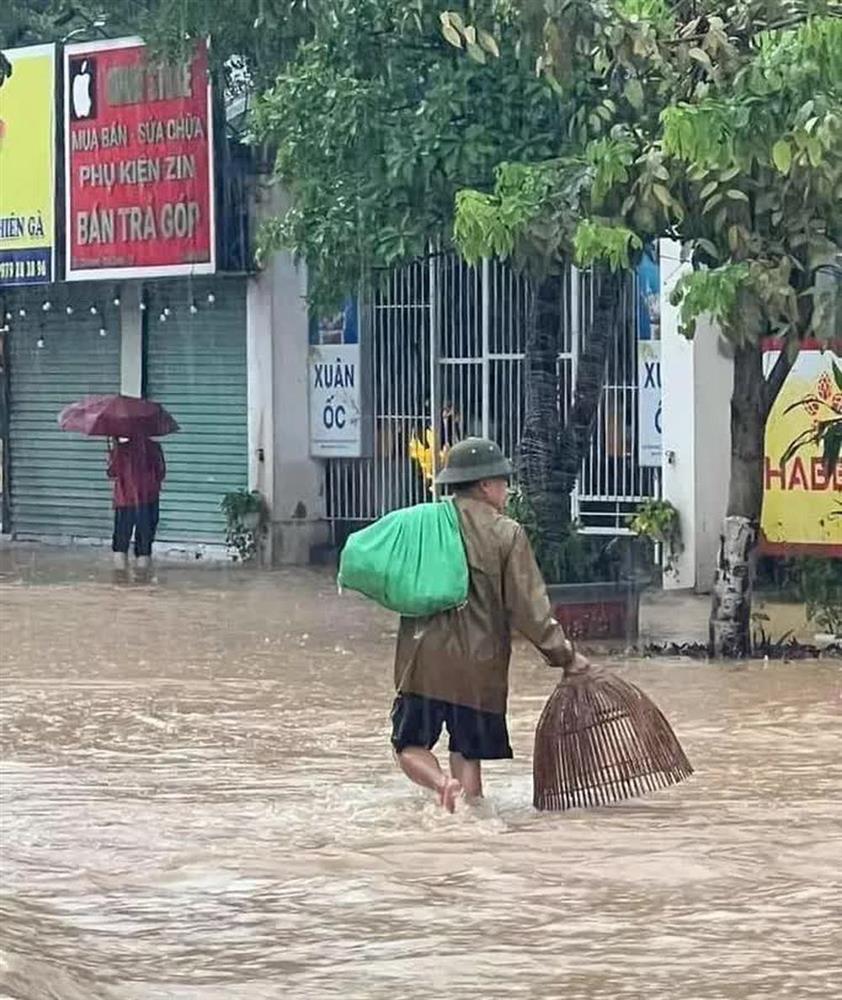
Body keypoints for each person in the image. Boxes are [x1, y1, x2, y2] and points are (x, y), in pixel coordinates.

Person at [391, 437, 590, 812]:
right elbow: (528, 608)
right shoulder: (506, 532)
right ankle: (472, 826)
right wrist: (564, 656)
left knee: (409, 745)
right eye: (502, 482)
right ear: (485, 485)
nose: (507, 489)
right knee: (468, 753)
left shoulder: (425, 523)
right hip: (478, 671)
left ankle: (440, 784)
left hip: (422, 663)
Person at [107, 435, 166, 571]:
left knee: (120, 543)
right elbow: (161, 473)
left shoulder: (119, 450)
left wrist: (112, 450)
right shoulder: (154, 448)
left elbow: (112, 473)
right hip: (148, 499)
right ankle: (143, 582)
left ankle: (120, 582)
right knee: (144, 545)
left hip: (124, 500)